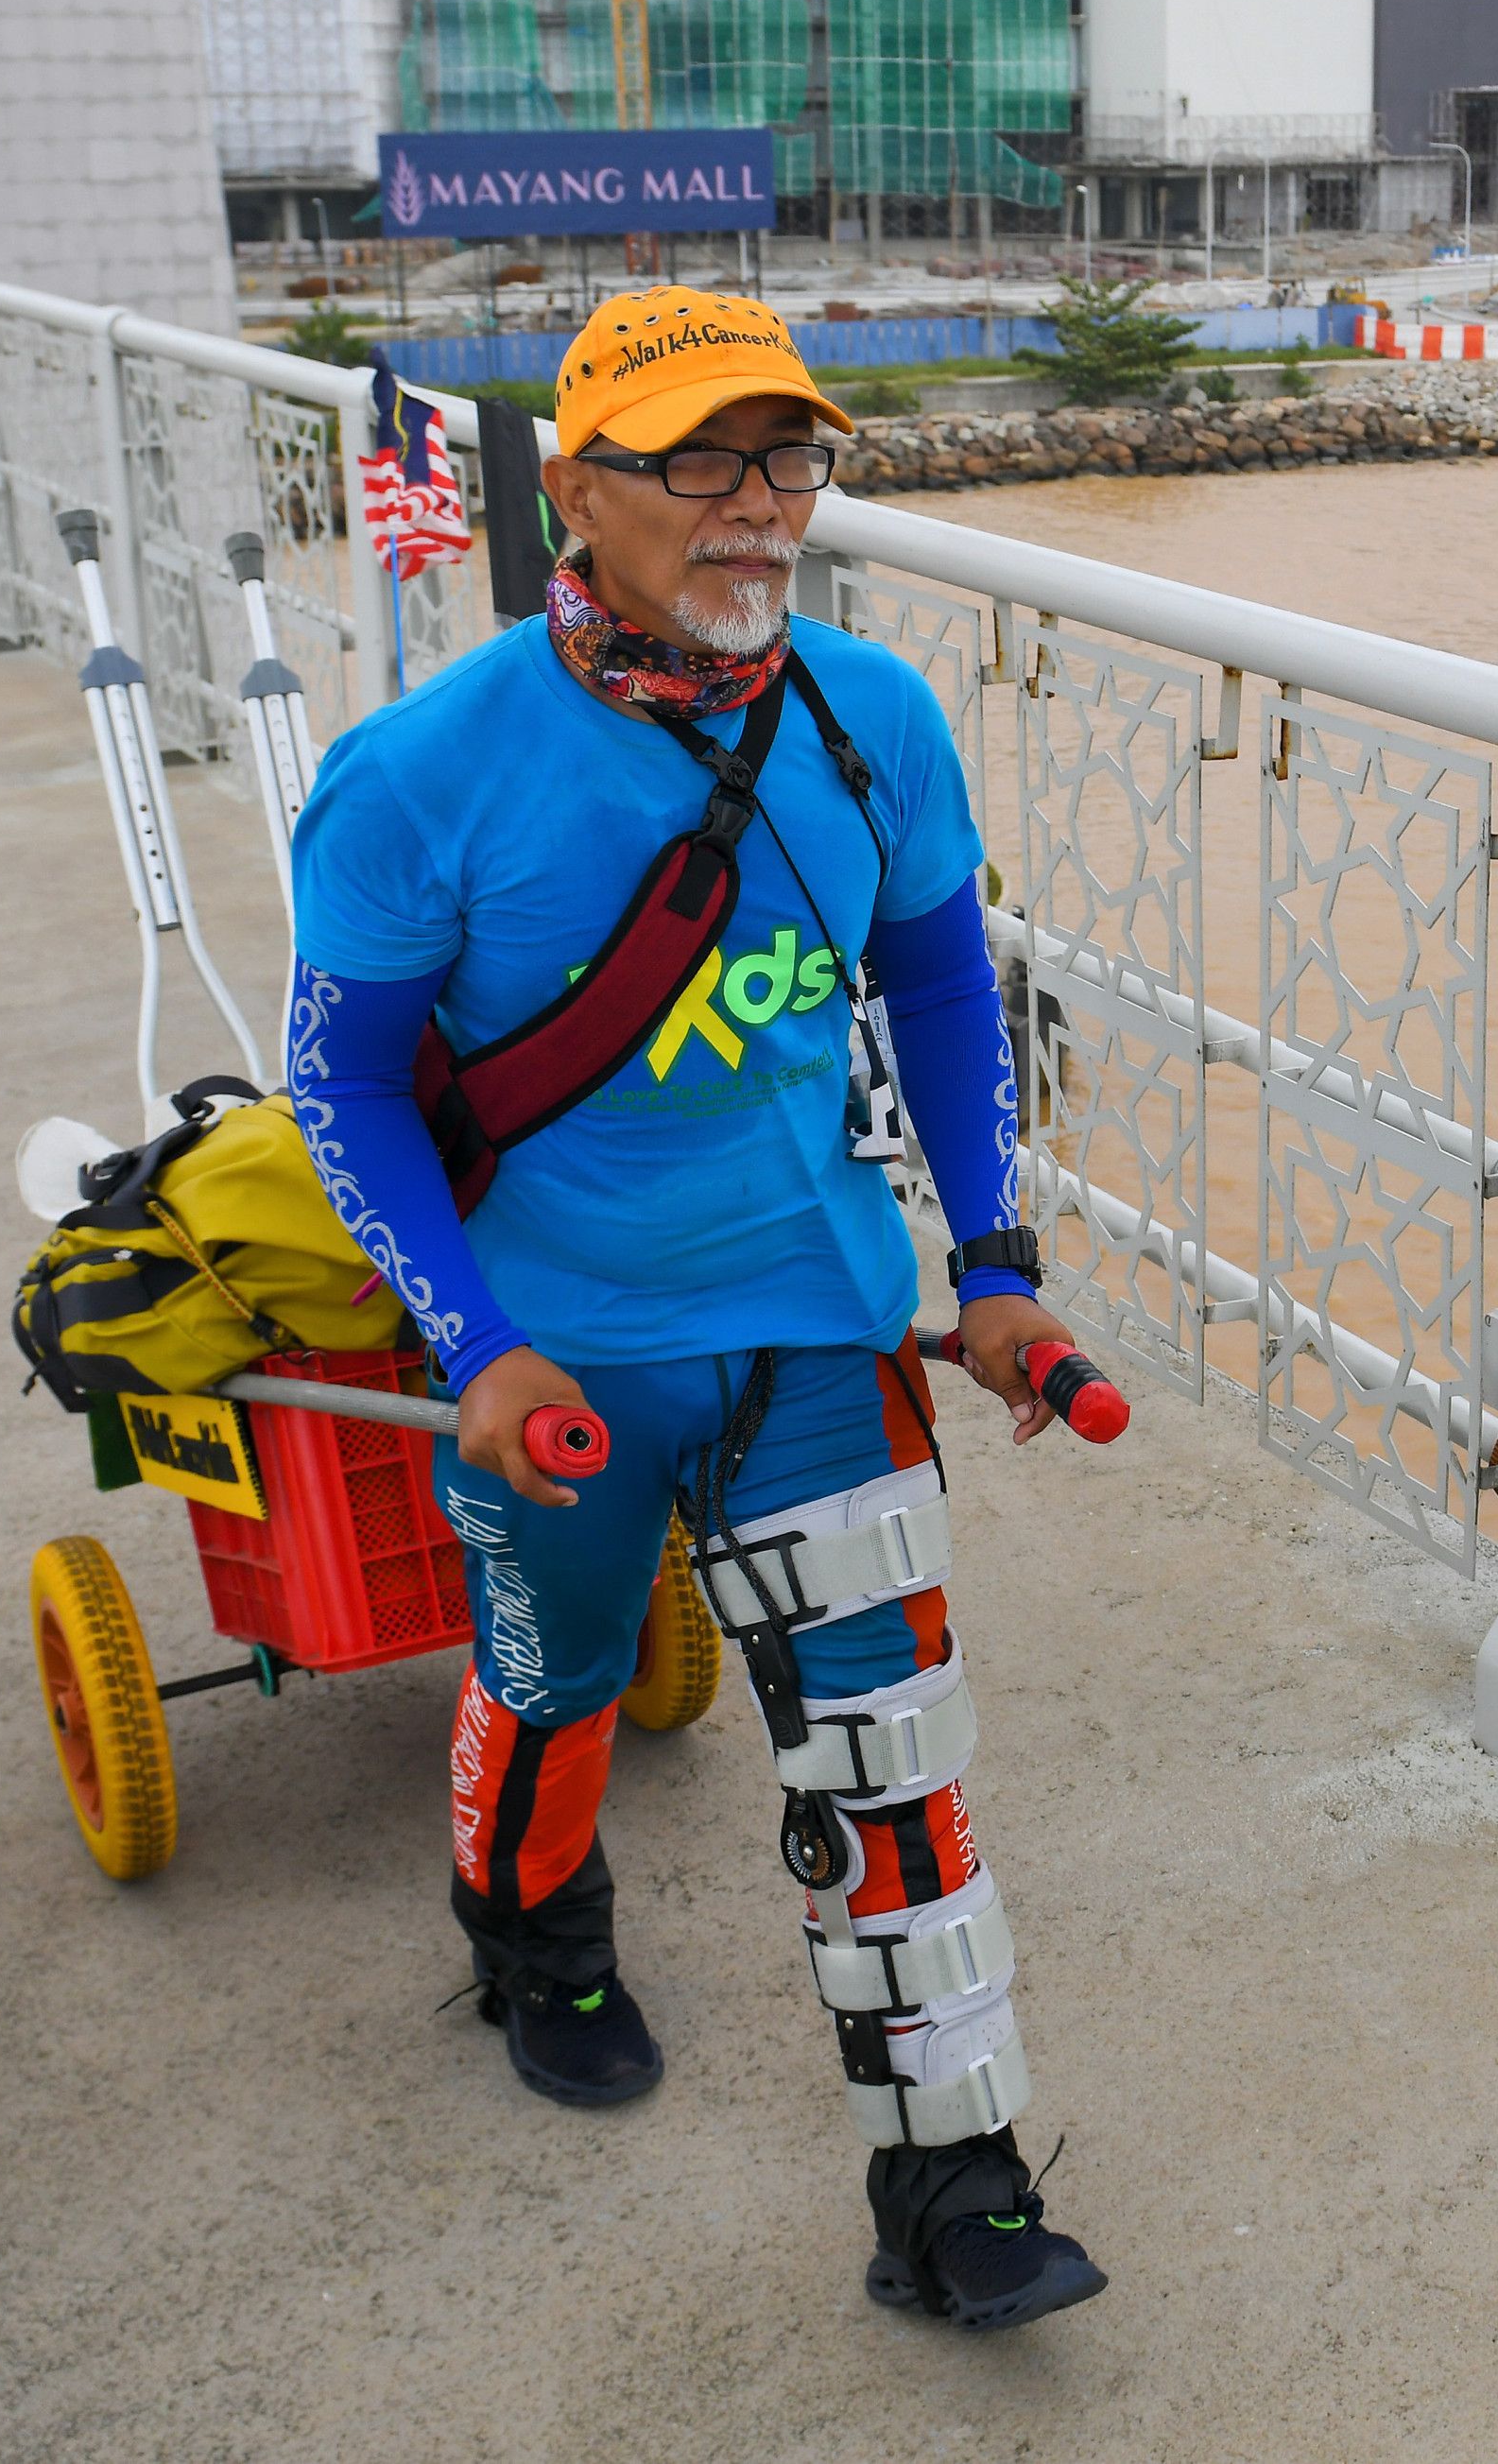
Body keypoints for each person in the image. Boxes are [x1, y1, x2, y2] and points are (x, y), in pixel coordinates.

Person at [284, 287, 1106, 2333]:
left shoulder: (874, 718)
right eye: (702, 462)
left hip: (816, 1323)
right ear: (577, 491)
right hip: (559, 1357)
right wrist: (477, 1346)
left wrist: (995, 1269)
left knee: (889, 1747)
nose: (761, 507)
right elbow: (343, 1086)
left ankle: (957, 2177)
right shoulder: (421, 775)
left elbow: (940, 986)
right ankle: (537, 1937)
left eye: (790, 456)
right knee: (553, 1676)